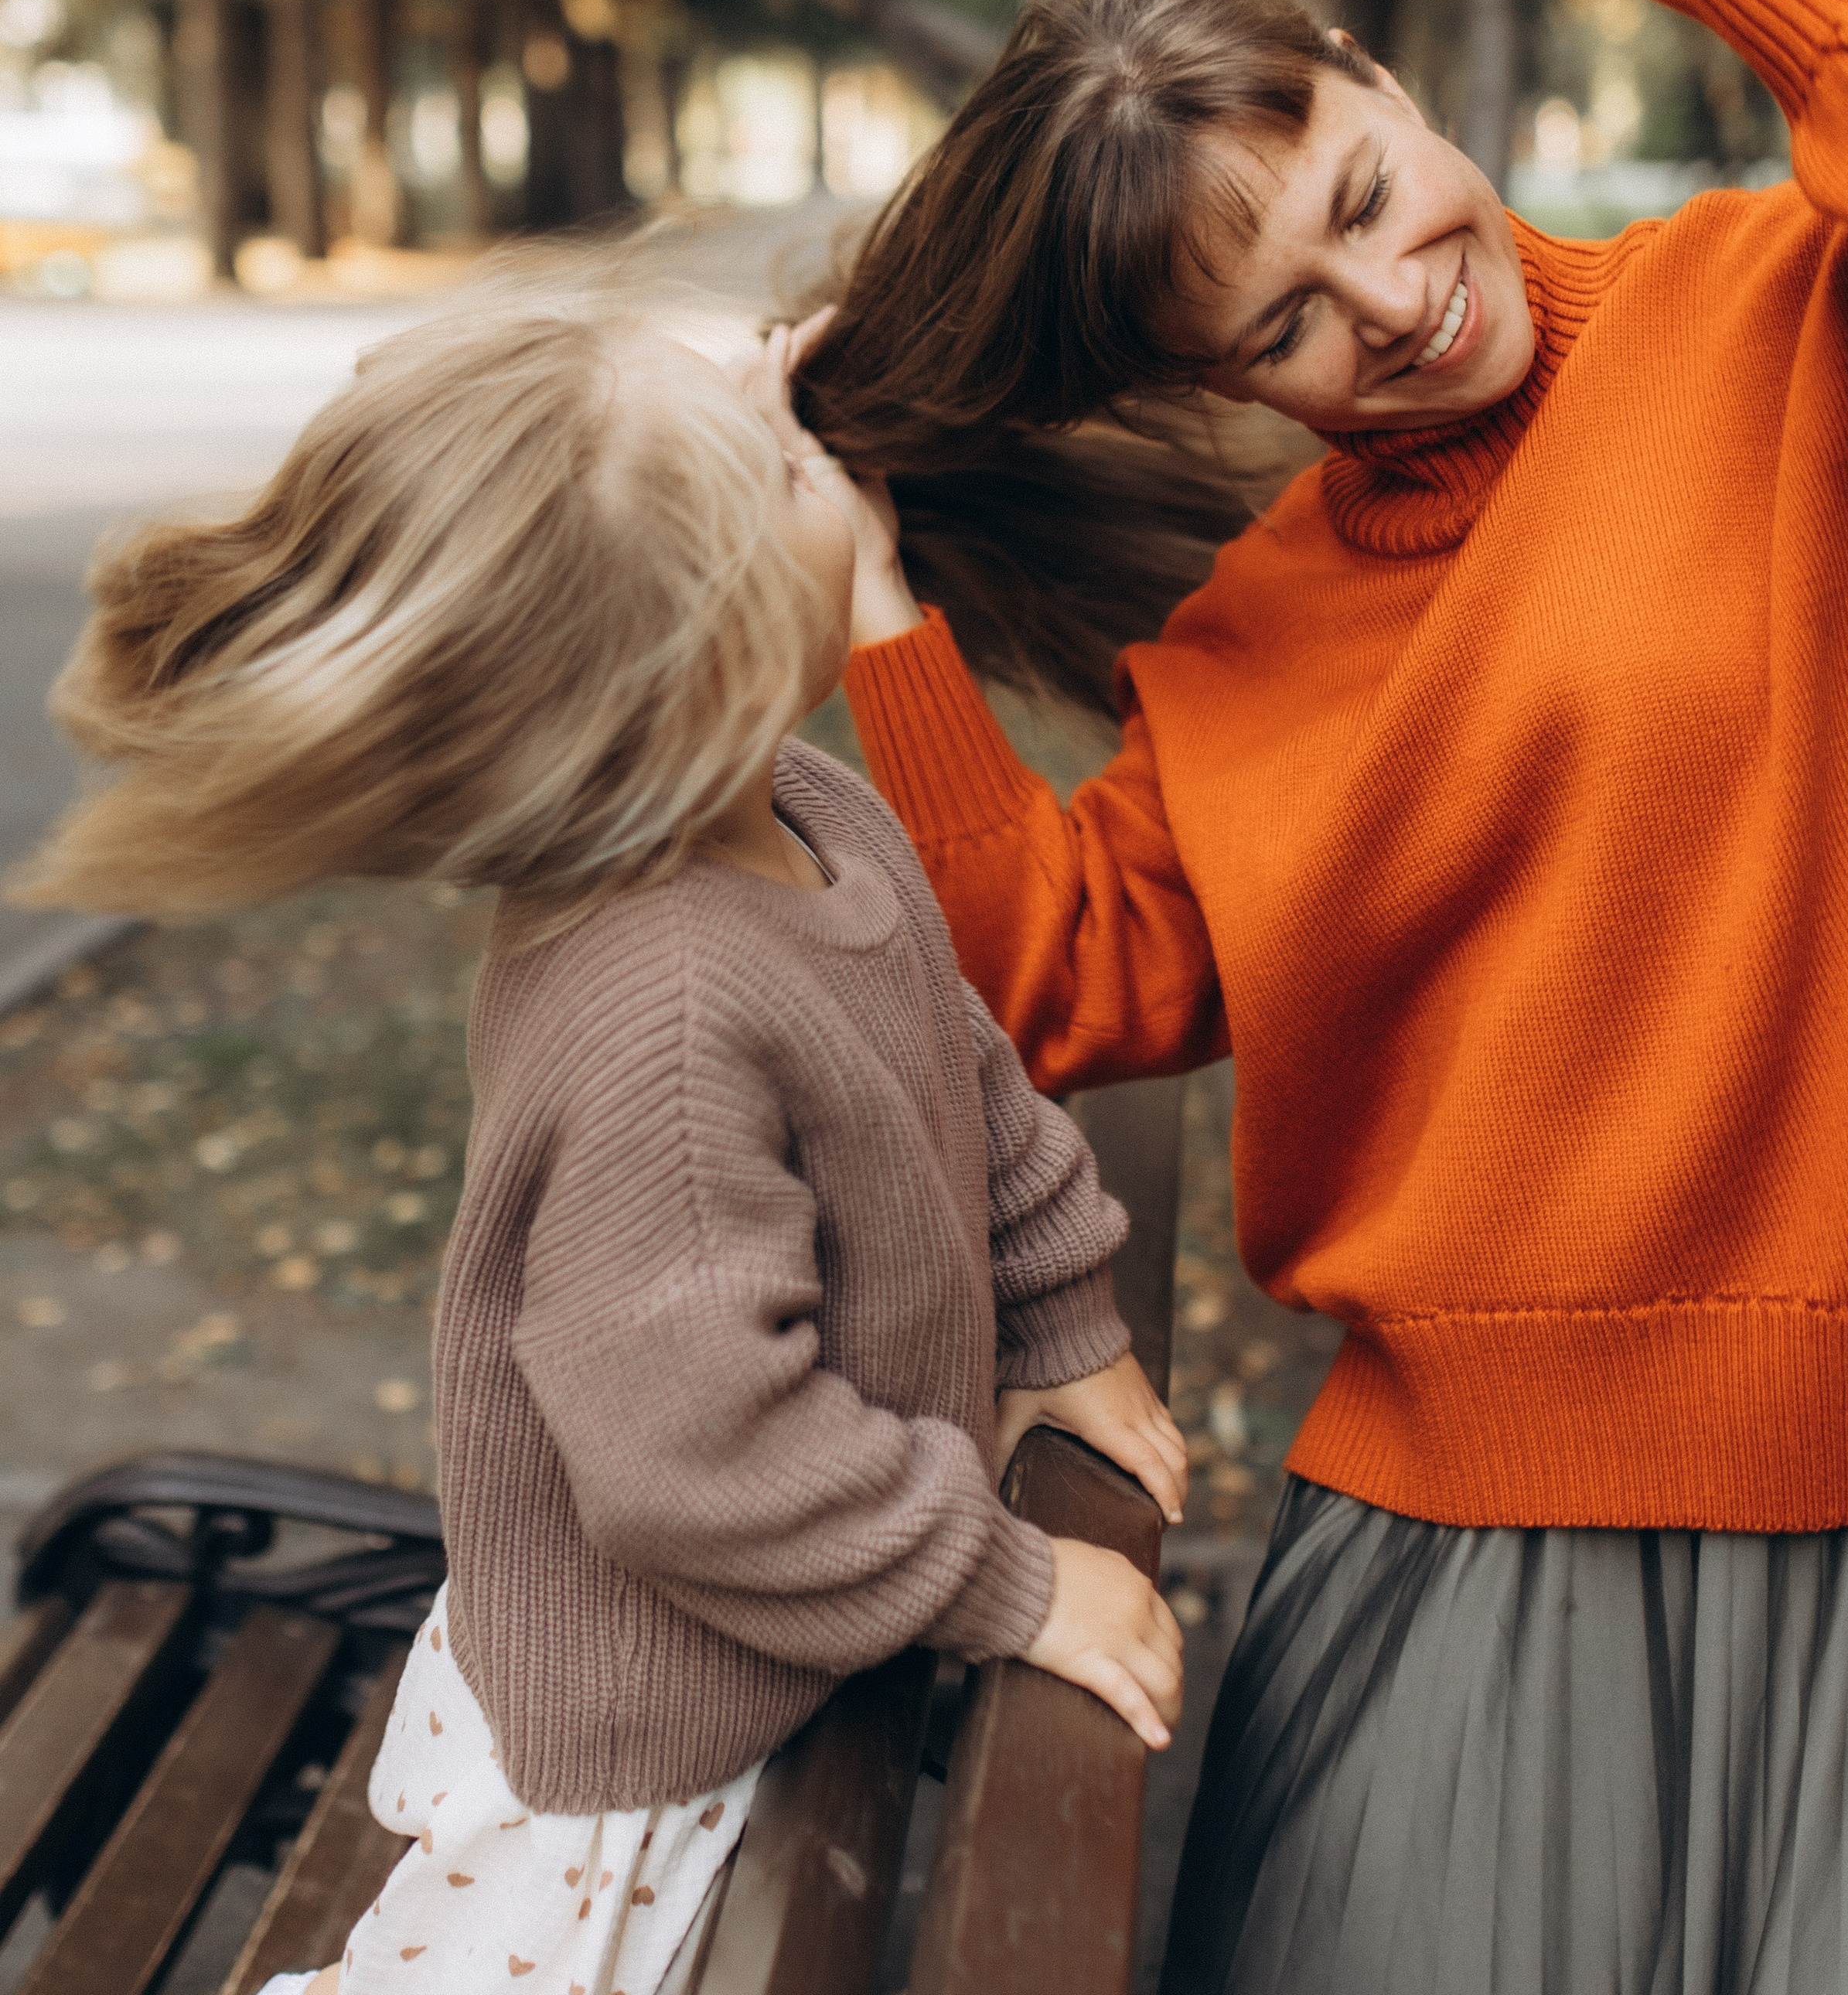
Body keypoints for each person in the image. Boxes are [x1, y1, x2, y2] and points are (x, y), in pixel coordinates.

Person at [767, 0, 1848, 1993]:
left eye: (1364, 189)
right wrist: (875, 620)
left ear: (1387, 76)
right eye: (1285, 322)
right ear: (1213, 385)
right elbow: (1053, 982)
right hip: (1461, 1534)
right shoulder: (1263, 634)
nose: (1394, 304)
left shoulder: (1814, 322)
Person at [16, 247, 1186, 1995]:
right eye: (783, 453)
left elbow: (957, 1071)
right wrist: (1011, 1584)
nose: (834, 455)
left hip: (767, 1671)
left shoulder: (802, 808)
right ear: (709, 660)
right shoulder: (665, 1005)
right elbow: (699, 1463)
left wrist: (1068, 1324)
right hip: (638, 1773)